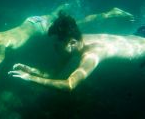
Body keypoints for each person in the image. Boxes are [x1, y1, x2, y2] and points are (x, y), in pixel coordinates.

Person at [0, 6, 134, 86]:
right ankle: (64, 5)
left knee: (78, 24)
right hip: (33, 20)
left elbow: (1, 57)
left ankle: (110, 13)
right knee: (60, 16)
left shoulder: (3, 43)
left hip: (41, 27)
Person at [8, 12, 145, 91]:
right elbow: (53, 73)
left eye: (57, 46)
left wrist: (30, 79)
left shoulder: (92, 54)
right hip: (137, 34)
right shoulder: (75, 44)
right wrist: (30, 70)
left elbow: (69, 85)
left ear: (72, 42)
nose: (55, 50)